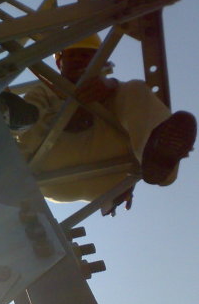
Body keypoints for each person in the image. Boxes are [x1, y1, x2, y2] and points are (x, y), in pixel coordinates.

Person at [16, 34, 196, 211]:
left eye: (85, 55)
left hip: (109, 178)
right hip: (50, 166)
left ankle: (159, 160)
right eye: (72, 55)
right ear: (59, 64)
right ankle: (13, 176)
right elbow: (27, 134)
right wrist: (72, 112)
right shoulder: (43, 91)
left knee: (135, 89)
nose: (78, 59)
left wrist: (112, 87)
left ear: (101, 61)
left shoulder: (118, 93)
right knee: (26, 116)